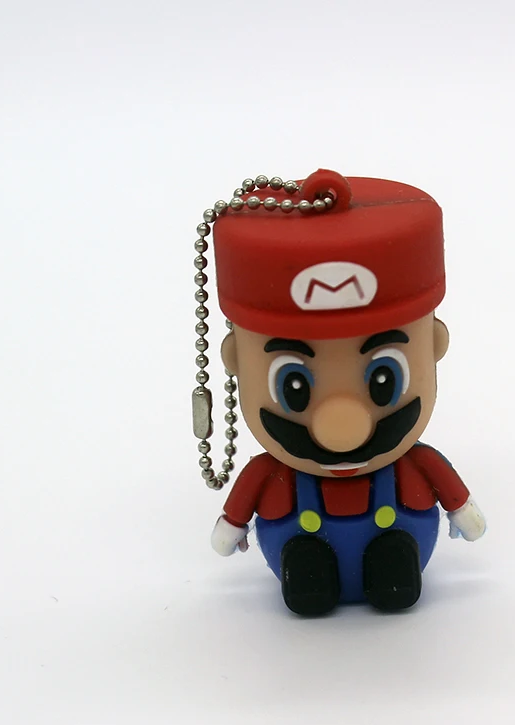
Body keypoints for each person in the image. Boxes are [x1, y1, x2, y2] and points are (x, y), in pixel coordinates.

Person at [206, 169, 486, 615]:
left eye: (383, 380)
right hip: (302, 542)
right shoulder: (272, 473)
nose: (343, 432)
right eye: (293, 386)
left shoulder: (413, 462)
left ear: (434, 345)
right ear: (236, 358)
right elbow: (247, 495)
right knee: (307, 568)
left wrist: (461, 508)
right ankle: (310, 578)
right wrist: (232, 522)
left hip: (394, 535)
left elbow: (443, 480)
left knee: (393, 563)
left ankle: (391, 570)